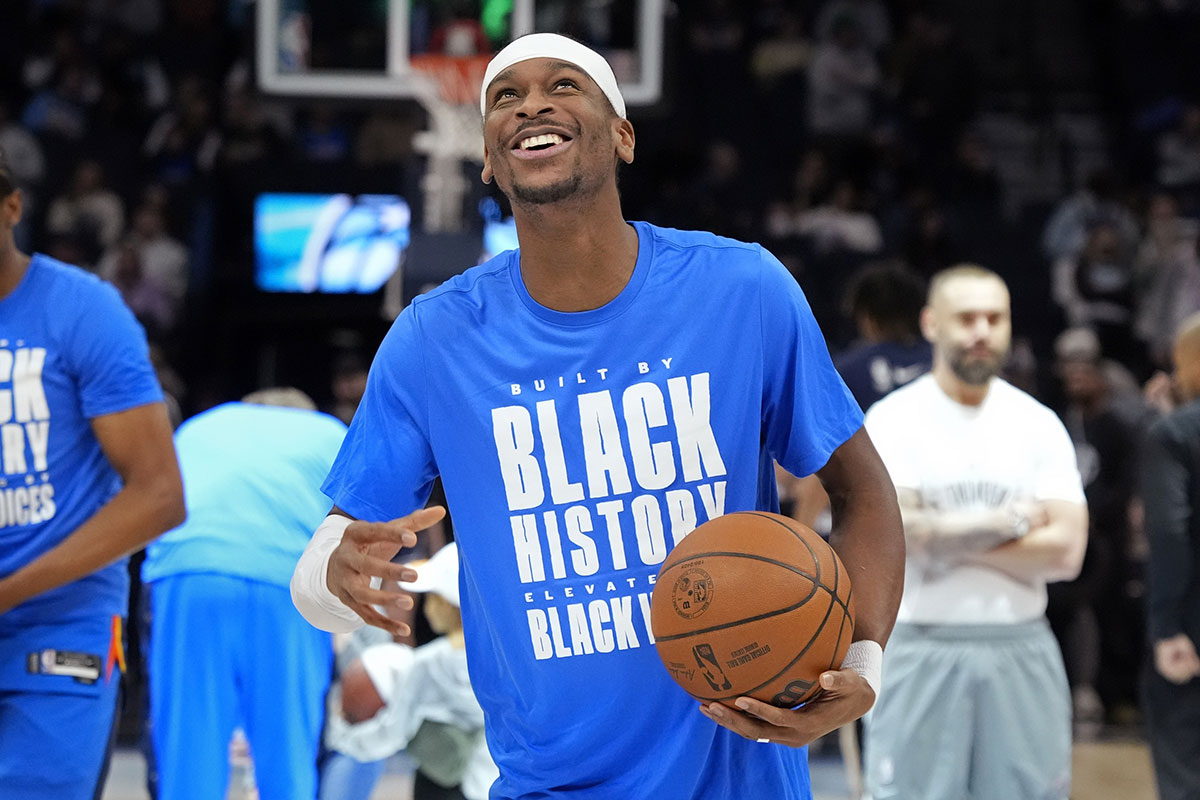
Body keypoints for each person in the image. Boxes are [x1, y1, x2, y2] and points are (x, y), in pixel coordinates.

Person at [292, 33, 905, 800]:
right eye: (505, 96)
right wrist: (333, 575)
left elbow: (865, 494)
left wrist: (861, 666)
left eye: (564, 85)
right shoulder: (432, 339)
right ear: (486, 156)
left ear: (623, 134)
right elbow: (320, 567)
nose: (532, 103)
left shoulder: (742, 288)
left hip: (743, 774)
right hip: (547, 784)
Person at [862, 264, 1089, 800]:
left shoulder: (1038, 423)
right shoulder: (893, 420)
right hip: (920, 646)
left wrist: (944, 542)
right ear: (930, 324)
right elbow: (903, 536)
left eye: (995, 318)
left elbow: (1067, 552)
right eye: (966, 318)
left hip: (1021, 646)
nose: (982, 331)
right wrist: (1008, 523)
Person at [0, 146, 185, 798]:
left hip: (60, 619)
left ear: (13, 208)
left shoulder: (82, 310)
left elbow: (160, 496)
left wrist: (9, 589)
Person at [142, 389, 347, 800]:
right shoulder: (330, 432)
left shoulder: (199, 427)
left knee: (189, 747)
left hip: (189, 574)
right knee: (287, 750)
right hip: (286, 582)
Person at [323, 542, 498, 800]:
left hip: (455, 788)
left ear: (448, 604)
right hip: (498, 784)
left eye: (434, 596)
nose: (427, 605)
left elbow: (389, 734)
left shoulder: (433, 665)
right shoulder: (504, 660)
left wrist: (338, 731)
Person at [1141, 311, 1200, 800]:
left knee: (1184, 772)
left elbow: (1170, 531)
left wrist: (1167, 627)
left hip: (1192, 626)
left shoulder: (1174, 435)